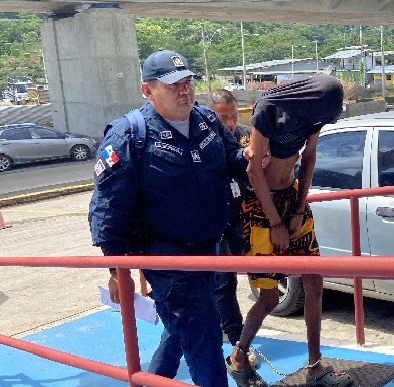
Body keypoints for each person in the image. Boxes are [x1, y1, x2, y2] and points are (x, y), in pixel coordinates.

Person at [89, 50, 249, 387]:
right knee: (204, 333)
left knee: (181, 329)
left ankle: (152, 381)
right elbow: (108, 209)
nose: (185, 91)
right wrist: (118, 272)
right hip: (166, 256)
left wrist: (253, 158)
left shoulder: (206, 119)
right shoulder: (129, 135)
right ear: (147, 90)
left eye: (188, 82)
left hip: (209, 249)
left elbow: (233, 157)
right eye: (173, 84)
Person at [225, 75, 352, 387]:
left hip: (293, 201)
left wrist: (298, 208)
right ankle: (239, 357)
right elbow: (254, 171)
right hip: (260, 209)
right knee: (268, 296)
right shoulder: (268, 109)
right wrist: (276, 224)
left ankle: (314, 366)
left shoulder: (313, 114)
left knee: (315, 283)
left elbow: (308, 158)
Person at [206, 89, 251, 346]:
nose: (231, 124)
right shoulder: (202, 142)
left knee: (251, 268)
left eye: (234, 116)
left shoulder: (245, 136)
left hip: (241, 214)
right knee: (224, 281)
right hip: (214, 221)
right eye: (223, 119)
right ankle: (236, 338)